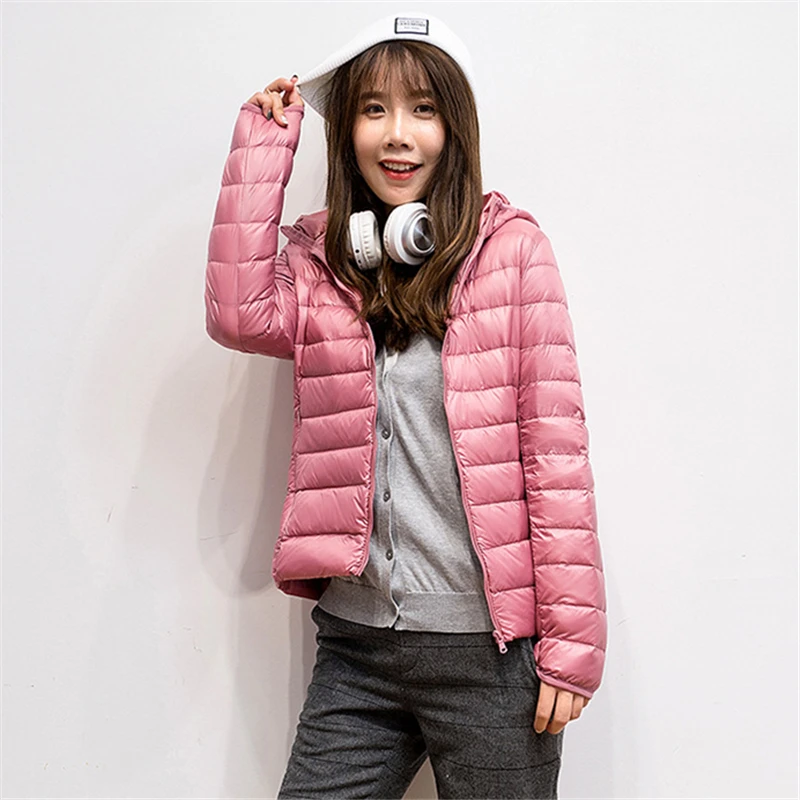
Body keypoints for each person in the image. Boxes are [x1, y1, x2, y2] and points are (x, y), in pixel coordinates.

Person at [204, 12, 607, 800]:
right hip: (357, 647)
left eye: (423, 109)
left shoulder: (512, 253)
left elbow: (555, 454)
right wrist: (262, 143)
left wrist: (570, 647)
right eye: (374, 109)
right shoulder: (326, 262)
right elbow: (238, 313)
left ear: (454, 128)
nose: (398, 134)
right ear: (348, 129)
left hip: (492, 654)